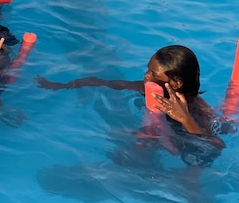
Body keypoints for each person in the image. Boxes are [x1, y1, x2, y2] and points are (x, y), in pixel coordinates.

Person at [35, 45, 225, 156]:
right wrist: (60, 85)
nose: (146, 76)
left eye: (153, 73)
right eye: (147, 69)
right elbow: (105, 83)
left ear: (175, 83)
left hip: (183, 145)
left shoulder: (195, 109)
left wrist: (185, 120)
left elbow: (214, 147)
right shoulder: (147, 88)